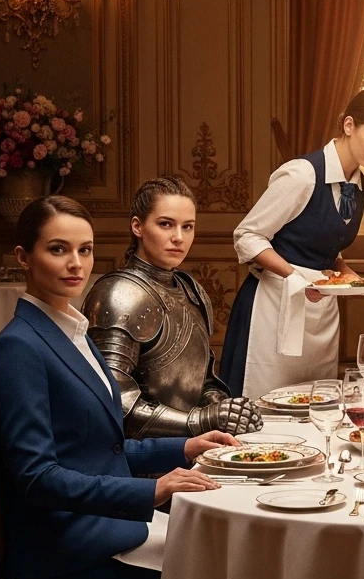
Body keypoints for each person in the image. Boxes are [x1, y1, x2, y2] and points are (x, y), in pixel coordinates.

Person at [0, 196, 237, 579]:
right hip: (64, 547)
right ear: (23, 257)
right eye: (57, 250)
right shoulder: (20, 348)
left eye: (84, 250)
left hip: (100, 526)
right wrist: (151, 491)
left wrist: (185, 446)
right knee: (227, 578)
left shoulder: (69, 330)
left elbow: (108, 445)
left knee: (228, 559)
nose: (75, 264)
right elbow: (36, 477)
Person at [220, 88, 364, 397]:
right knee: (266, 400)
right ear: (349, 126)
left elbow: (327, 243)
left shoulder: (360, 188)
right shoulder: (301, 174)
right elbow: (247, 236)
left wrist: (348, 276)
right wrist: (294, 278)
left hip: (320, 312)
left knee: (316, 401)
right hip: (274, 304)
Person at [83, 176, 263, 438]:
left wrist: (223, 410)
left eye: (187, 227)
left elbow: (204, 381)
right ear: (138, 226)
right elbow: (115, 403)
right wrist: (202, 420)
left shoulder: (190, 289)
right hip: (143, 462)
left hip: (194, 449)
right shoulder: (120, 294)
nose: (179, 237)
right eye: (166, 224)